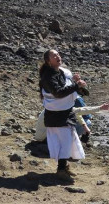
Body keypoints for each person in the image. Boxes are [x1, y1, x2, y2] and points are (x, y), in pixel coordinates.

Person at [38, 49, 94, 182]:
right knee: (64, 142)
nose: (58, 56)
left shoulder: (60, 72)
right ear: (48, 61)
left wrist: (76, 84)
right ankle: (61, 170)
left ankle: (63, 168)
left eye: (58, 54)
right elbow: (58, 93)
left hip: (64, 113)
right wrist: (75, 86)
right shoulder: (48, 76)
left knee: (67, 141)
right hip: (56, 115)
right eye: (54, 55)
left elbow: (69, 89)